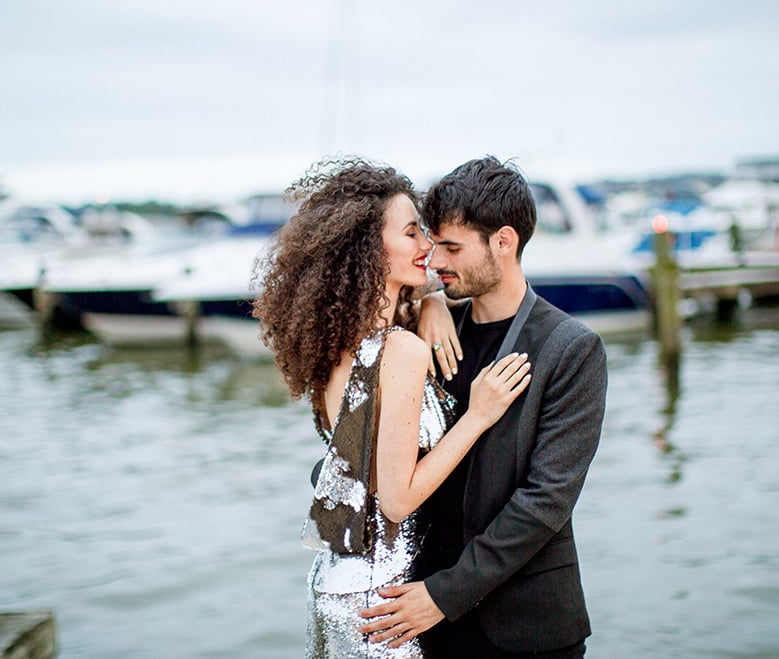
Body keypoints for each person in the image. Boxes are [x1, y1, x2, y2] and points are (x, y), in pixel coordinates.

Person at [251, 157, 532, 658]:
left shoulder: (331, 347)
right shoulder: (400, 351)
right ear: (369, 250)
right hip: (385, 600)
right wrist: (478, 415)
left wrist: (432, 302)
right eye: (411, 233)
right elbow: (397, 501)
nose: (427, 246)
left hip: (338, 582)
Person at [359, 156, 608, 658]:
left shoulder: (573, 349)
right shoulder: (422, 334)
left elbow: (545, 503)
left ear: (504, 242)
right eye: (435, 245)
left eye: (452, 248)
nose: (437, 262)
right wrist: (430, 304)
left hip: (526, 628)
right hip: (421, 620)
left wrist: (442, 596)